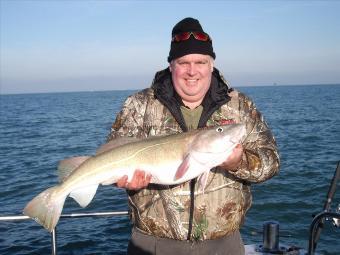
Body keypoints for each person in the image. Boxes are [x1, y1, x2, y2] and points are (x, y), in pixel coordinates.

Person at [107, 17, 280, 255]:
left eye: (200, 61)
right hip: (152, 244)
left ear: (211, 65)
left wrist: (238, 162)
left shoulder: (241, 107)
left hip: (224, 245)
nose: (192, 71)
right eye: (183, 62)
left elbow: (271, 162)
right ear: (171, 66)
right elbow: (112, 155)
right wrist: (125, 182)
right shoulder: (139, 105)